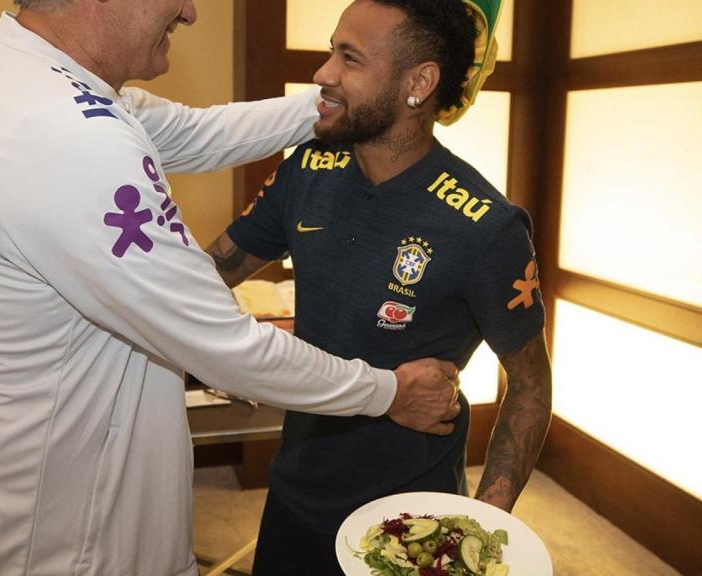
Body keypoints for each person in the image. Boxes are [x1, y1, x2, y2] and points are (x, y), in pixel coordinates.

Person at [0, 1, 462, 574]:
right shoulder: (58, 137)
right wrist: (387, 392)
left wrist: (347, 95)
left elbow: (201, 132)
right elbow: (222, 343)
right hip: (49, 542)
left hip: (4, 497)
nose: (191, 11)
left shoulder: (24, 77)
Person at [205, 0, 553, 573]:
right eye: (330, 50)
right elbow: (211, 273)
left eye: (350, 58)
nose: (323, 73)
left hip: (411, 522)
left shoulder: (485, 225)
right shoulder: (307, 171)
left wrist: (487, 526)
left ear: (419, 83)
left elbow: (531, 386)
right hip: (295, 492)